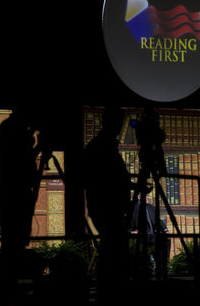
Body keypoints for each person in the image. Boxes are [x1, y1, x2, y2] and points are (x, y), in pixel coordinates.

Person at [83, 105, 132, 302]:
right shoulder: (104, 147)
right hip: (108, 209)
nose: (120, 127)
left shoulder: (97, 145)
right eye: (119, 122)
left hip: (103, 208)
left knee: (111, 251)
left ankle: (109, 292)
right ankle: (111, 293)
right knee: (114, 252)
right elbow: (111, 179)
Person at [0, 106, 41, 300]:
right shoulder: (15, 130)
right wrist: (36, 148)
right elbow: (25, 167)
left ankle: (8, 289)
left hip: (9, 195)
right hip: (15, 196)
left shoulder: (8, 128)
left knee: (13, 243)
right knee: (14, 244)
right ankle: (9, 291)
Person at [129, 192, 170, 274]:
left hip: (152, 235)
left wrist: (165, 230)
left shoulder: (151, 207)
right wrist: (131, 231)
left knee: (166, 239)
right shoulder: (133, 207)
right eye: (146, 195)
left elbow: (158, 221)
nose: (148, 197)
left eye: (148, 195)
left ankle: (162, 266)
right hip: (140, 235)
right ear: (139, 196)